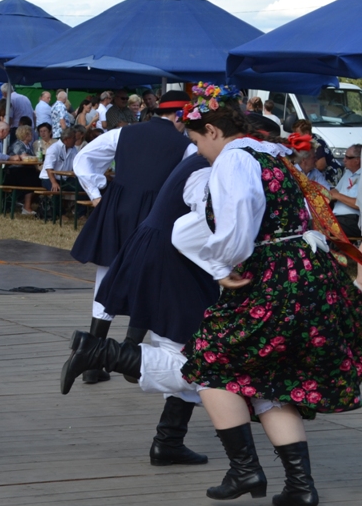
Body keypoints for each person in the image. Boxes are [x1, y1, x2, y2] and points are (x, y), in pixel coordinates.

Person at [70, 91, 362, 505]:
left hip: (272, 280)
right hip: (308, 276)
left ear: (212, 131)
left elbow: (235, 213)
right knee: (267, 384)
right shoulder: (274, 157)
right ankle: (299, 487)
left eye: (198, 142)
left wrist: (223, 266)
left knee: (209, 366)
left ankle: (244, 470)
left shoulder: (234, 159)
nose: (198, 152)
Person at [63, 152, 216, 469]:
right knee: (195, 360)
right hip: (174, 262)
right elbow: (195, 227)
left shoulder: (200, 161)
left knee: (188, 351)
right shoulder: (208, 169)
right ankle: (101, 354)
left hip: (167, 257)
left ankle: (169, 441)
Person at [70, 90, 196, 384]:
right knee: (149, 280)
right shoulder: (186, 147)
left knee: (107, 275)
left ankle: (92, 360)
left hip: (117, 210)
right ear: (179, 116)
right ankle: (130, 357)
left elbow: (84, 158)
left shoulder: (123, 134)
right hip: (156, 217)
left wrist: (97, 192)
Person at [294, 119, 342, 187]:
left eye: (297, 133)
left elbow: (321, 165)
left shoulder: (315, 143)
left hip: (331, 175)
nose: (295, 135)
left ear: (306, 133)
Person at [330, 144, 362, 236]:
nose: (344, 160)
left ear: (357, 160)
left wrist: (338, 196)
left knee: (324, 227)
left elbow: (359, 204)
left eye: (348, 157)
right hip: (339, 218)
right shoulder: (348, 173)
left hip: (354, 219)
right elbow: (335, 191)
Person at [40, 128, 78, 193]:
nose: (76, 140)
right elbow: (49, 168)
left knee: (83, 188)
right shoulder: (54, 148)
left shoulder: (73, 149)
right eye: (74, 138)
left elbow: (77, 164)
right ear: (66, 139)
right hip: (49, 178)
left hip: (65, 179)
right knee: (56, 191)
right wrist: (54, 182)